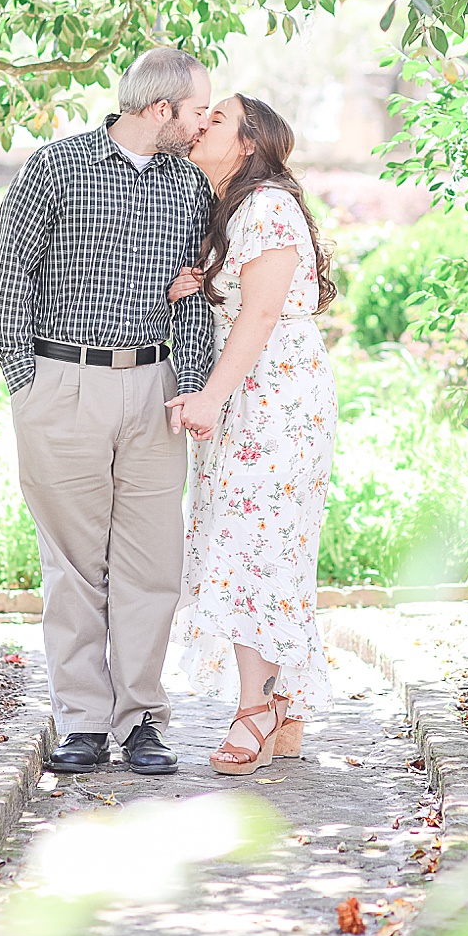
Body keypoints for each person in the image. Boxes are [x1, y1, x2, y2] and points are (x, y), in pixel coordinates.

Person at [0, 48, 214, 774]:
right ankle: (82, 719)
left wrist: (194, 381)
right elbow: (9, 270)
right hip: (62, 382)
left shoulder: (190, 188)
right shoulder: (55, 168)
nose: (204, 121)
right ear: (159, 110)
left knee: (152, 564)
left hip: (153, 386)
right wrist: (26, 378)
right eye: (198, 109)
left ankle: (141, 717)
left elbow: (196, 290)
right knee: (75, 565)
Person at [166, 94, 337, 775]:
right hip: (260, 394)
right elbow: (246, 295)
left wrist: (209, 395)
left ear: (247, 142)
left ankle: (255, 709)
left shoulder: (265, 205)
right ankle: (285, 704)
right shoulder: (239, 207)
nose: (200, 124)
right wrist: (201, 284)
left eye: (215, 119)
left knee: (253, 548)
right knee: (268, 543)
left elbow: (262, 315)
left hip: (272, 399)